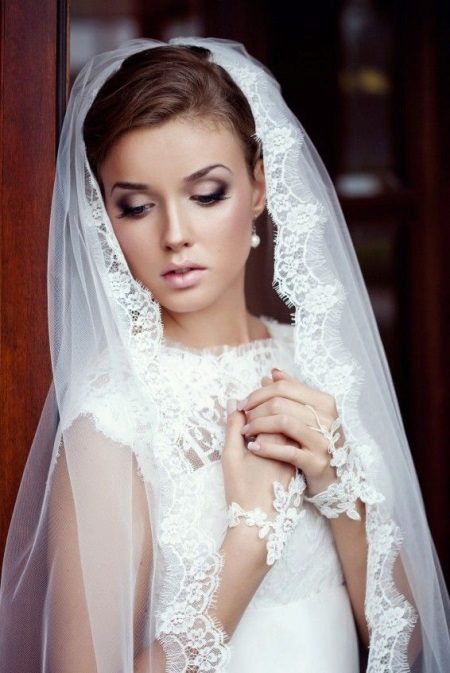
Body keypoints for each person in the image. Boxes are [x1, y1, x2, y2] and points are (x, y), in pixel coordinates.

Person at [0, 36, 449, 673]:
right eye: (136, 206)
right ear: (105, 219)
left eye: (206, 194)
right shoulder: (113, 416)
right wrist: (248, 542)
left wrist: (336, 483)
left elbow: (411, 644)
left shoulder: (317, 367)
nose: (175, 235)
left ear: (259, 187)